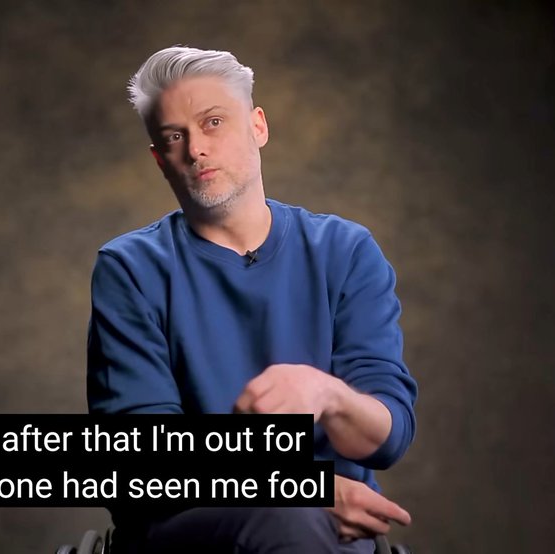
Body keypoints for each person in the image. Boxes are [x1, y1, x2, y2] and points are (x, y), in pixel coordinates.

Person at [86, 45, 418, 554]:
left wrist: (325, 394)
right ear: (159, 160)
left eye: (213, 122)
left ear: (258, 126)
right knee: (286, 520)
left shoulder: (346, 251)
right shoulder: (130, 268)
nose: (196, 149)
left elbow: (386, 438)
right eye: (174, 137)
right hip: (185, 530)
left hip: (336, 534)